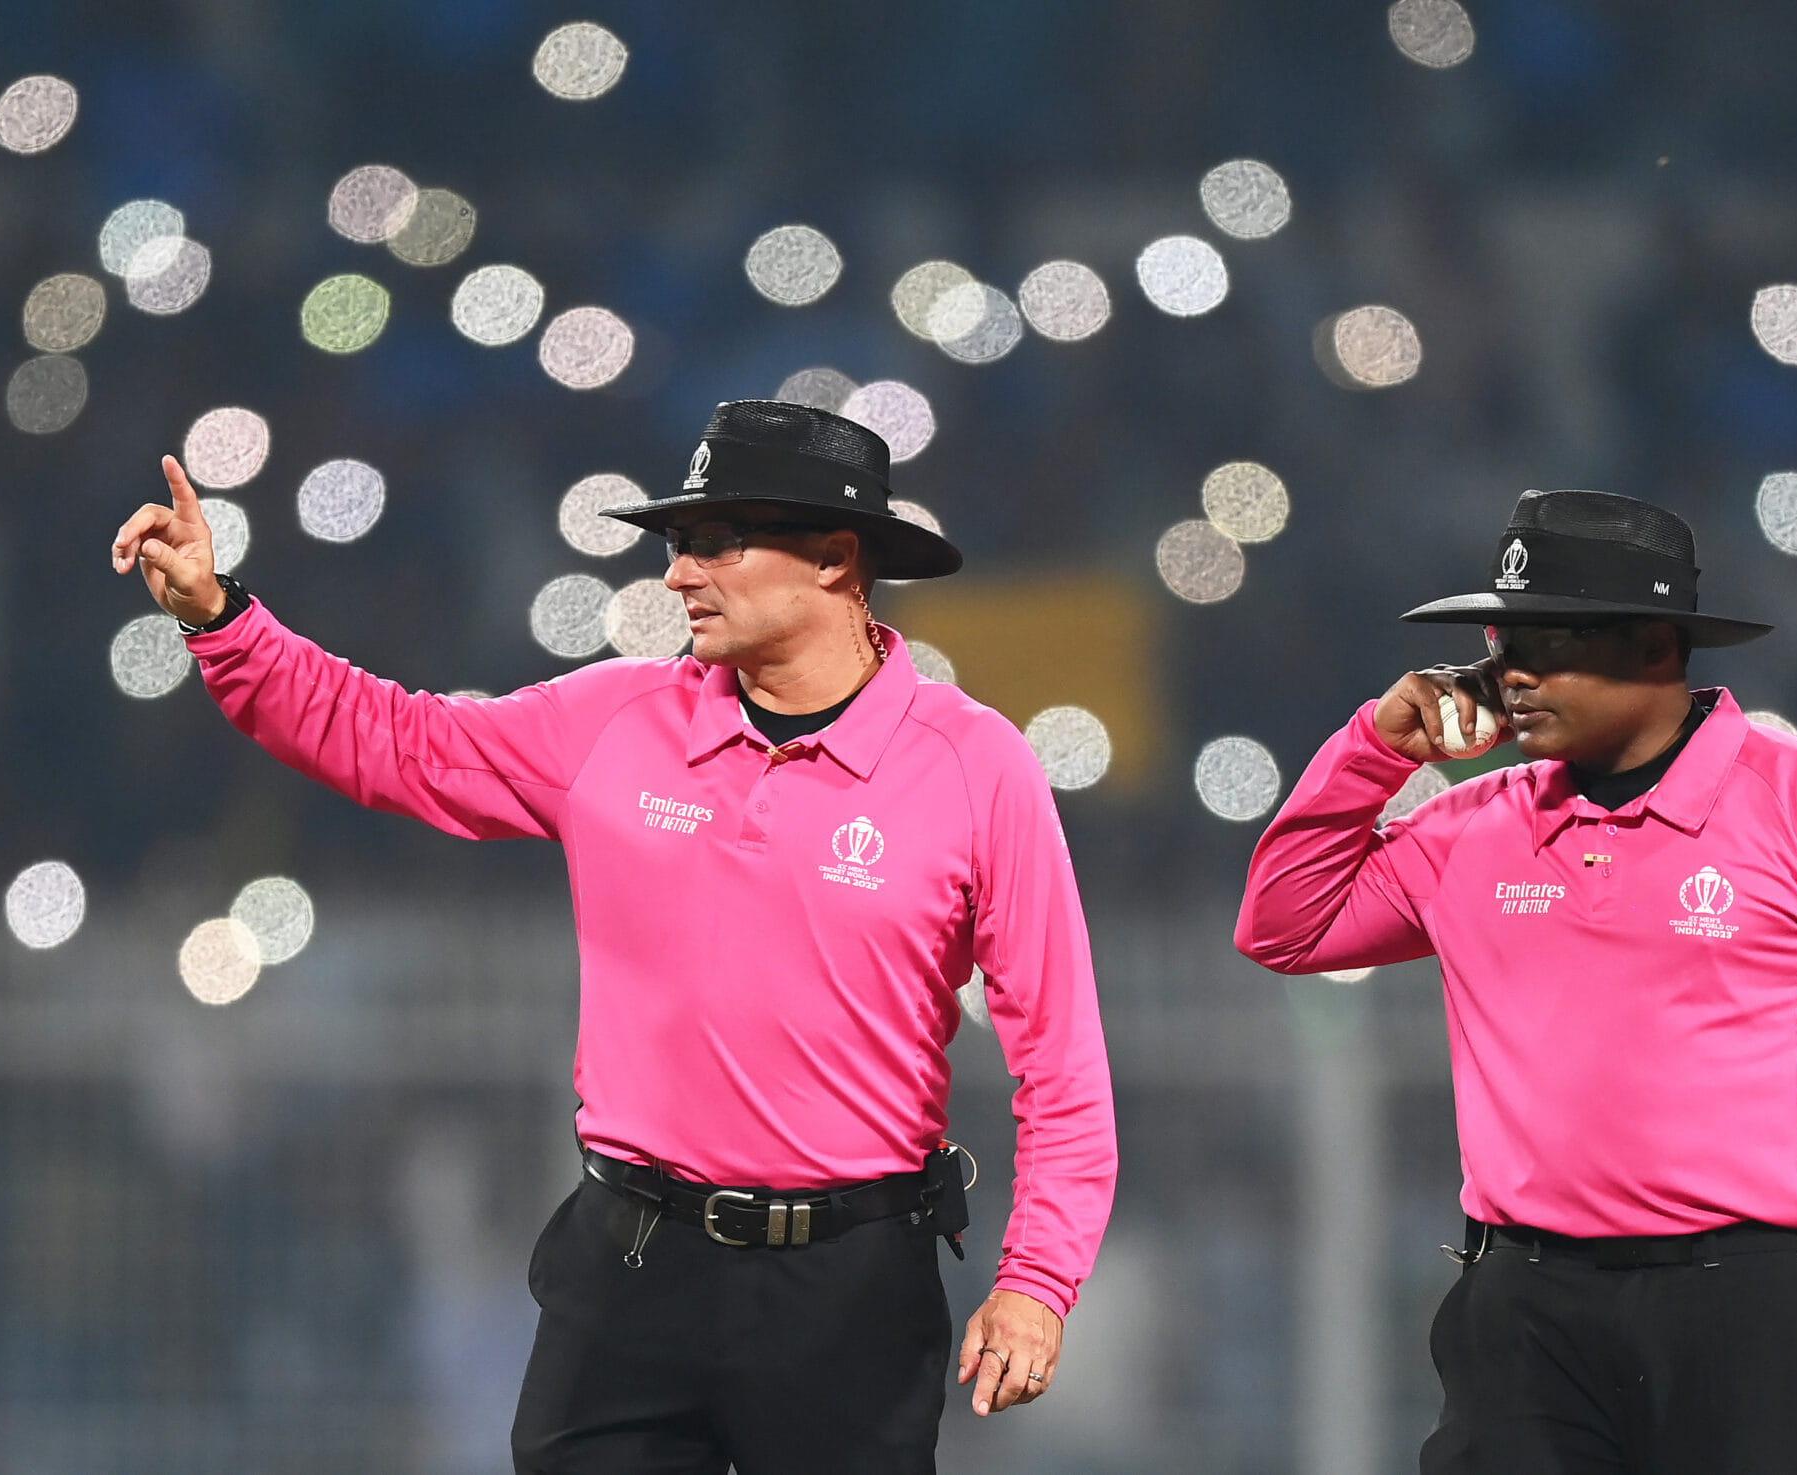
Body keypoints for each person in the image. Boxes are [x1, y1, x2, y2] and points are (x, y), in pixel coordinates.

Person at [111, 400, 1117, 1474]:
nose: (679, 574)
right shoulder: (616, 719)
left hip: (849, 1289)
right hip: (634, 1263)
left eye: (717, 543)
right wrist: (221, 617)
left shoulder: (977, 766)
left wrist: (1035, 1283)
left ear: (834, 558)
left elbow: (1059, 1065)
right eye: (677, 545)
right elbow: (395, 741)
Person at [1236, 489, 1797, 1474]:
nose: (1511, 674)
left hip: (1745, 1300)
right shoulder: (1474, 823)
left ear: (1651, 647)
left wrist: (1784, 1155)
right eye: (1501, 643)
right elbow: (1283, 924)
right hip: (1526, 1305)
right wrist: (1374, 749)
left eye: (1548, 642)